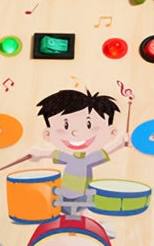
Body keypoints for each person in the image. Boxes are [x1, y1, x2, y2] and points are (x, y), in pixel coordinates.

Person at [28, 89, 128, 217]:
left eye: (88, 124)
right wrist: (41, 153)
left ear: (112, 132)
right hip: (63, 196)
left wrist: (119, 143)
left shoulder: (85, 160)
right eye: (65, 126)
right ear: (47, 134)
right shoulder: (74, 158)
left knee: (82, 214)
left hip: (81, 197)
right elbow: (57, 154)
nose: (75, 133)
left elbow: (101, 153)